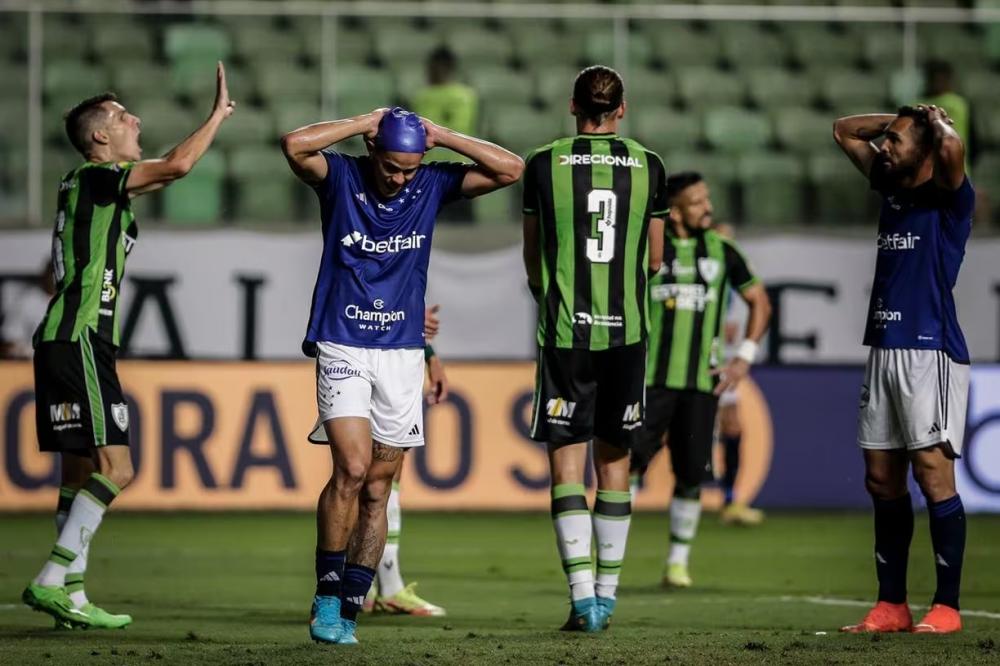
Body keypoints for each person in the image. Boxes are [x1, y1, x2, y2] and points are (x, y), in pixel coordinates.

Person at [281, 106, 522, 645]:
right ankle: (325, 594)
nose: (400, 178)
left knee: (379, 487)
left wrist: (442, 137)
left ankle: (351, 603)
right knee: (352, 467)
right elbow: (294, 144)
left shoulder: (431, 184)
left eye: (411, 168)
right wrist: (364, 120)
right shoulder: (341, 176)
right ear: (372, 151)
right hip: (343, 341)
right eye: (392, 167)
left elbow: (511, 169)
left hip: (402, 354)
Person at [22, 63, 236, 629]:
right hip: (83, 338)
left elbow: (159, 177)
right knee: (119, 468)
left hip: (60, 338)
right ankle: (51, 577)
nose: (133, 120)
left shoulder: (86, 186)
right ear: (100, 138)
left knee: (77, 474)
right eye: (121, 117)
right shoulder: (94, 178)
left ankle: (70, 591)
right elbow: (179, 166)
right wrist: (216, 117)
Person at [522, 65, 667, 633]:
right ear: (621, 109)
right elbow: (655, 260)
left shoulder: (542, 163)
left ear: (572, 105)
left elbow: (533, 257)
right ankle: (606, 598)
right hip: (626, 335)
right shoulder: (650, 164)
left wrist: (550, 295)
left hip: (565, 335)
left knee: (566, 462)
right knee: (614, 463)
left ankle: (581, 598)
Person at [834, 105, 973, 634]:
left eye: (895, 141)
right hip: (884, 346)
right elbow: (843, 130)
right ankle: (891, 604)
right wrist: (903, 117)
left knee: (932, 474)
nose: (884, 146)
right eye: (886, 140)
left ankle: (948, 606)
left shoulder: (949, 200)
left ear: (926, 150)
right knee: (880, 478)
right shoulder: (889, 187)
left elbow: (955, 153)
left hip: (928, 349)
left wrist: (934, 126)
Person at [628, 173, 771, 589]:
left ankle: (677, 563)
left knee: (690, 475)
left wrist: (744, 356)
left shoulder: (722, 249)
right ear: (673, 211)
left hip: (701, 383)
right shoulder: (647, 248)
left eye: (707, 198)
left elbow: (759, 301)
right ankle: (611, 554)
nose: (707, 207)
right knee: (629, 466)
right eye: (696, 201)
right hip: (649, 381)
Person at [365, 306, 448, 617]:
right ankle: (379, 586)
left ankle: (373, 586)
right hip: (368, 351)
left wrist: (430, 356)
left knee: (384, 469)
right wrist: (402, 313)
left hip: (396, 352)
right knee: (372, 470)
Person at [713, 222, 764, 527]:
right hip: (691, 357)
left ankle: (730, 499)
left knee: (733, 425)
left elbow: (755, 306)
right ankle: (625, 492)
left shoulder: (736, 277)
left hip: (723, 357)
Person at [0, 260, 55, 359]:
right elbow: (8, 342)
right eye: (51, 273)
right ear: (44, 275)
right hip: (30, 364)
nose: (54, 278)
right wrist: (26, 351)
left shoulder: (74, 301)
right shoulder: (26, 300)